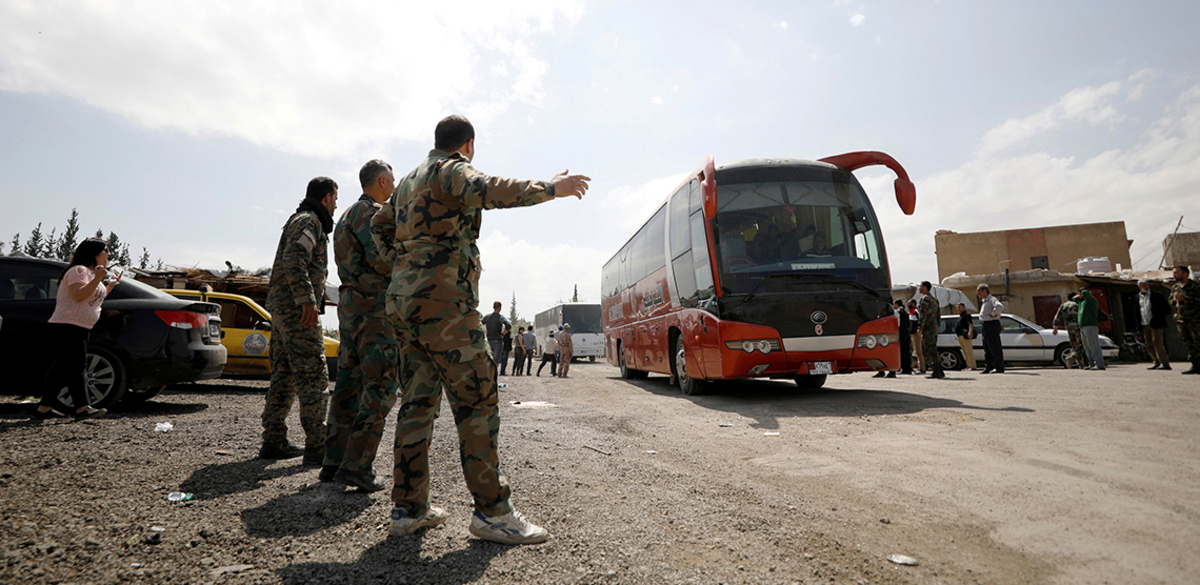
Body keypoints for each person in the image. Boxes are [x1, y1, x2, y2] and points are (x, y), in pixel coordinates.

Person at [369, 115, 589, 544]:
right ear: (468, 145)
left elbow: (379, 226)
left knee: (417, 404)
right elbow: (486, 189)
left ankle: (408, 509)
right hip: (444, 304)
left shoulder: (409, 181)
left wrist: (404, 264)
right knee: (478, 401)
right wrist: (549, 188)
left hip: (405, 303)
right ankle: (492, 512)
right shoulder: (450, 169)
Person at [321, 160, 396, 492]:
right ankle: (358, 466)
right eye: (392, 181)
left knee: (348, 384)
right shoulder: (372, 214)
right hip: (374, 308)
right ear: (382, 181)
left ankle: (334, 460)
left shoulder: (347, 214)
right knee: (381, 384)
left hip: (351, 307)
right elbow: (383, 259)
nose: (394, 187)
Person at [260, 176, 337, 464]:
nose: (336, 207)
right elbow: (294, 258)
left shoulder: (300, 220)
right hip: (295, 310)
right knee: (313, 374)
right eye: (336, 200)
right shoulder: (309, 221)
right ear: (327, 197)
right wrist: (306, 300)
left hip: (281, 308)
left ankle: (274, 440)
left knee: (284, 372)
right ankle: (318, 445)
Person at [34, 238, 115, 421]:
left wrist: (110, 285)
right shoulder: (78, 270)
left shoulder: (92, 274)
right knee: (76, 367)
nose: (109, 254)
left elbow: (94, 298)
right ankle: (82, 408)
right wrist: (98, 279)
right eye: (105, 250)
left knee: (63, 368)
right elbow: (79, 295)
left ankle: (43, 409)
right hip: (67, 325)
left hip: (80, 326)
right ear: (94, 253)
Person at [1171, 265, 1200, 374]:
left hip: (1195, 320)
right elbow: (1170, 301)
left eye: (1176, 272)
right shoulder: (1175, 288)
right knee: (1188, 343)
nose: (1174, 275)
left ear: (1185, 274)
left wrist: (1186, 299)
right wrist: (1174, 300)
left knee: (1198, 342)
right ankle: (1195, 365)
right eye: (1173, 273)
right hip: (1181, 320)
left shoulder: (1195, 287)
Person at [1138, 280, 1171, 370]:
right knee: (1149, 344)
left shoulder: (1157, 295)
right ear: (1139, 286)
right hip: (1145, 323)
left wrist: (1158, 317)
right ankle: (1156, 361)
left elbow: (1167, 309)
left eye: (1147, 284)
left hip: (1156, 324)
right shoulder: (1138, 297)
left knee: (1157, 343)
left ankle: (1164, 362)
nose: (1146, 286)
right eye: (1143, 285)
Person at [1051, 293, 1088, 369]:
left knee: (1074, 345)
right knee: (1080, 345)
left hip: (1068, 328)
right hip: (1077, 327)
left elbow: (1057, 316)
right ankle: (1071, 358)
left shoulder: (1063, 305)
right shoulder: (1077, 305)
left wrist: (1055, 327)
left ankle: (1081, 364)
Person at [918, 281, 945, 379]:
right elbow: (938, 315)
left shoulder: (925, 299)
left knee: (929, 349)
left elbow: (923, 315)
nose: (919, 288)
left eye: (920, 287)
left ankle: (936, 371)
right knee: (933, 347)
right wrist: (937, 326)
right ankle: (939, 370)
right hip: (934, 328)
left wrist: (920, 327)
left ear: (925, 287)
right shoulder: (934, 299)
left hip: (928, 328)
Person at [977, 283, 1005, 374]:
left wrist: (993, 314)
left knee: (994, 347)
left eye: (979, 291)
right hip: (986, 325)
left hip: (991, 324)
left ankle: (999, 367)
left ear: (985, 291)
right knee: (987, 347)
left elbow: (999, 306)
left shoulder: (992, 299)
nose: (978, 293)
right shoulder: (984, 301)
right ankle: (989, 366)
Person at [1077, 288, 1105, 371]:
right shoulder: (1082, 303)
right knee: (1087, 346)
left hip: (1090, 325)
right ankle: (1091, 363)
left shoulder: (1092, 301)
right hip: (1083, 326)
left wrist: (1083, 291)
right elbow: (1074, 299)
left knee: (1093, 344)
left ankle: (1099, 364)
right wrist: (1078, 296)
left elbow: (1086, 293)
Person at [481, 301, 510, 375]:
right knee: (495, 362)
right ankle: (493, 377)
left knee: (488, 361)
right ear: (500, 308)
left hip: (488, 340)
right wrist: (502, 334)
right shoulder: (500, 317)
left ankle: (488, 375)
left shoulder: (487, 317)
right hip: (497, 340)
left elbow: (480, 323)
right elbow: (508, 326)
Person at [954, 302, 977, 371]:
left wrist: (970, 332)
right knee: (965, 352)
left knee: (968, 351)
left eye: (960, 307)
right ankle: (968, 365)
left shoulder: (967, 315)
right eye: (958, 307)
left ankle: (973, 366)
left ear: (964, 307)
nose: (958, 308)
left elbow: (970, 324)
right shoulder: (961, 316)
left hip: (965, 336)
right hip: (960, 336)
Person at [908, 299, 924, 372]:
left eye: (909, 303)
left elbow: (920, 321)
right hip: (911, 334)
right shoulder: (910, 312)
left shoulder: (916, 311)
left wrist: (919, 329)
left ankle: (922, 367)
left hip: (916, 334)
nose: (908, 305)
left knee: (918, 350)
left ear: (913, 304)